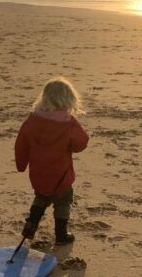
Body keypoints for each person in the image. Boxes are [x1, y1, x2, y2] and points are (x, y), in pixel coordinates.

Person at [15, 77, 89, 246]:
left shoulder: (32, 120)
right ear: (69, 99)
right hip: (61, 175)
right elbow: (81, 143)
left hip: (39, 173)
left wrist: (21, 165)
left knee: (41, 197)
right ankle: (61, 234)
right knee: (63, 202)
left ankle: (31, 225)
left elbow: (21, 144)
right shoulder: (68, 123)